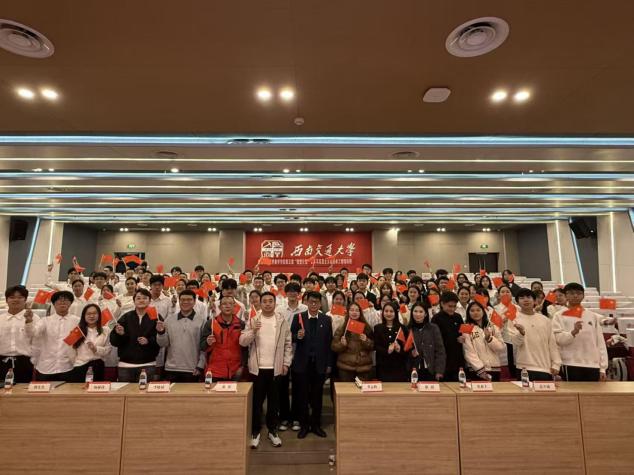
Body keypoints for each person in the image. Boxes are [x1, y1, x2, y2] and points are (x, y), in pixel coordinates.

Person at [240, 292, 292, 449]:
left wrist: (286, 363)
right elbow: (242, 342)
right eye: (265, 301)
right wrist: (253, 331)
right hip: (257, 369)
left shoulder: (282, 320)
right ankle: (255, 431)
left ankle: (272, 430)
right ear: (260, 303)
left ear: (275, 303)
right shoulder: (253, 320)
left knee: (274, 403)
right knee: (256, 403)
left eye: (271, 301)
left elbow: (288, 344)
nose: (268, 304)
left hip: (276, 369)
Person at [290, 291, 333, 439]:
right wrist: (297, 336)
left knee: (317, 396)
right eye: (311, 302)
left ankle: (316, 425)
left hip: (319, 364)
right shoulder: (299, 317)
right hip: (302, 363)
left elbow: (329, 342)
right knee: (302, 396)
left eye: (316, 302)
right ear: (306, 303)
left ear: (320, 304)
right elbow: (290, 337)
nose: (313, 304)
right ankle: (304, 425)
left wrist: (329, 363)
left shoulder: (326, 319)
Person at [552, 283, 608, 381]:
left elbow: (600, 342)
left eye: (578, 293)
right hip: (570, 363)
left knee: (592, 391)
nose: (575, 295)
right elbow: (558, 340)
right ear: (566, 295)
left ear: (583, 295)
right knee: (573, 391)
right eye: (571, 293)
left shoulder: (592, 316)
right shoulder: (558, 315)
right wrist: (573, 333)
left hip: (593, 364)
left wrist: (603, 368)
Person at [507, 288, 561, 381]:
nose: (526, 300)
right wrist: (521, 333)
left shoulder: (545, 320)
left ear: (535, 301)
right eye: (522, 298)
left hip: (545, 367)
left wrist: (556, 364)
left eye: (528, 297)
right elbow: (515, 343)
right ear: (517, 302)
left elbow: (552, 343)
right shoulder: (513, 319)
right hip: (524, 367)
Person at [109, 288, 160, 382]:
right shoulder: (125, 317)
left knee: (145, 391)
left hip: (148, 364)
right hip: (125, 365)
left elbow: (161, 340)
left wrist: (148, 341)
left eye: (145, 298)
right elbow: (114, 342)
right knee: (125, 391)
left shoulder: (156, 317)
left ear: (150, 301)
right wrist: (120, 334)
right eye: (138, 298)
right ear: (134, 301)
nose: (141, 300)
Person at [275, 282, 307, 432]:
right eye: (290, 291)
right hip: (282, 352)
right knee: (282, 386)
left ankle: (296, 417)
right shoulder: (279, 310)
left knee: (298, 387)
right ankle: (284, 417)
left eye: (295, 291)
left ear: (299, 294)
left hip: (299, 351)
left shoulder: (305, 309)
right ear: (286, 293)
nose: (293, 294)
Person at [156, 289, 206, 382]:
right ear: (179, 301)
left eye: (189, 300)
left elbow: (204, 346)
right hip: (171, 368)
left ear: (194, 302)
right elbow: (163, 344)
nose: (185, 302)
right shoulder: (169, 320)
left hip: (193, 369)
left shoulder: (202, 321)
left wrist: (201, 365)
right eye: (183, 300)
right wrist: (161, 333)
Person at [30, 290, 79, 381]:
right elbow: (33, 333)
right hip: (46, 367)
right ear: (54, 304)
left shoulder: (77, 321)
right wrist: (29, 322)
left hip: (68, 366)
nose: (62, 302)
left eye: (66, 300)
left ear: (70, 303)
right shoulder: (45, 321)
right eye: (59, 300)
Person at [0, 285, 40, 383]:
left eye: (20, 297)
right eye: (12, 297)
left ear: (25, 300)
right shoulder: (0, 319)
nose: (16, 300)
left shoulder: (34, 318)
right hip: (2, 362)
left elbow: (38, 340)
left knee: (23, 390)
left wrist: (29, 322)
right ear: (6, 300)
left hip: (25, 362)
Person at [200, 295, 245, 381]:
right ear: (220, 307)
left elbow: (245, 348)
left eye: (230, 304)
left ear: (234, 307)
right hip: (214, 371)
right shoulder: (211, 323)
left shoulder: (241, 324)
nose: (227, 306)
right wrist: (207, 342)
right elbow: (202, 347)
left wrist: (242, 366)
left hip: (235, 371)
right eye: (224, 304)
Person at [331, 302, 374, 381]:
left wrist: (366, 341)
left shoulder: (367, 328)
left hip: (363, 368)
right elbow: (334, 347)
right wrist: (342, 344)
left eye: (357, 310)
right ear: (348, 312)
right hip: (346, 368)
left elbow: (373, 346)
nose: (354, 312)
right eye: (352, 310)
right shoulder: (341, 328)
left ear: (360, 313)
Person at [462, 302, 505, 381]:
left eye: (478, 310)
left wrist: (489, 339)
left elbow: (501, 348)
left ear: (483, 311)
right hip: (476, 370)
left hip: (494, 368)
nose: (475, 313)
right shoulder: (466, 327)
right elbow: (468, 351)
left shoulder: (492, 326)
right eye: (472, 310)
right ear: (468, 313)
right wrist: (480, 370)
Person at [69, 304, 112, 382]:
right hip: (80, 366)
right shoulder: (77, 331)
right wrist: (75, 362)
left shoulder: (106, 330)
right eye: (88, 314)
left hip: (98, 366)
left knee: (96, 389)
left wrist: (96, 349)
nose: (92, 316)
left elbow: (108, 350)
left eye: (94, 313)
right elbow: (71, 351)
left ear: (99, 315)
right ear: (84, 316)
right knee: (78, 389)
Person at [407, 301, 445, 381]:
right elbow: (404, 352)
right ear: (411, 313)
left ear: (425, 314)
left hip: (431, 370)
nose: (418, 314)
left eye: (421, 312)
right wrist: (411, 353)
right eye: (415, 311)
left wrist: (439, 371)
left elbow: (440, 351)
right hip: (413, 371)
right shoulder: (408, 329)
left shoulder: (433, 328)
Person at [431, 292, 465, 381]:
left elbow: (462, 333)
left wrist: (462, 338)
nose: (452, 309)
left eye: (454, 306)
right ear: (442, 304)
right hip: (443, 359)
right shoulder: (436, 319)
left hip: (457, 358)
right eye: (450, 306)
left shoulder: (458, 317)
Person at [374, 301, 408, 381]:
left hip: (399, 366)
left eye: (391, 311)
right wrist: (387, 351)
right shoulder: (377, 328)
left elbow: (407, 348)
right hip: (383, 366)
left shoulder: (402, 328)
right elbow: (375, 345)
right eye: (386, 311)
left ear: (395, 313)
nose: (388, 314)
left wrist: (399, 349)